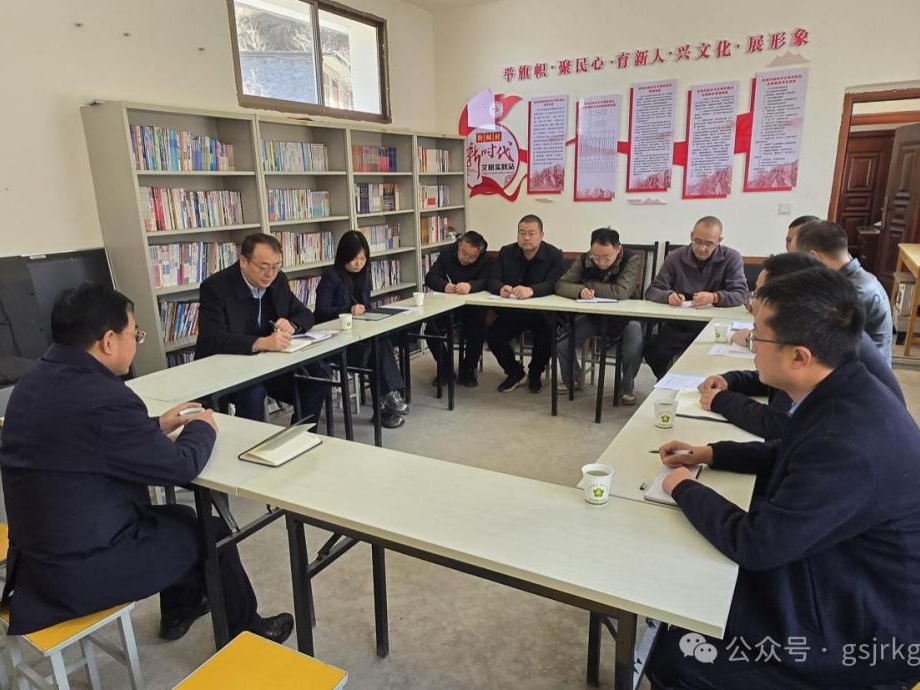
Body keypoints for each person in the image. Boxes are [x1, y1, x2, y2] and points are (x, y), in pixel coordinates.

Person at [647, 267, 920, 690]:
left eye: (758, 336)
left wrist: (682, 485)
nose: (751, 347)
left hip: (867, 632)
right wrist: (712, 454)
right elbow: (791, 451)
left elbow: (756, 543)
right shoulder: (845, 387)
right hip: (840, 570)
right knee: (690, 587)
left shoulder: (847, 443)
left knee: (680, 649)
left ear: (799, 356)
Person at [0, 283, 293, 642]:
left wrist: (155, 425)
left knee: (180, 520)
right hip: (80, 570)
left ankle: (179, 610)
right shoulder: (105, 397)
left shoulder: (32, 383)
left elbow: (85, 440)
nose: (135, 341)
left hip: (37, 561)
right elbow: (180, 467)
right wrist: (202, 427)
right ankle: (246, 630)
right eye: (134, 333)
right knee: (211, 532)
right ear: (108, 341)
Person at [698, 252, 904, 440]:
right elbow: (782, 378)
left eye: (759, 293)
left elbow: (777, 423)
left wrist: (721, 400)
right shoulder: (823, 332)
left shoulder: (825, 348)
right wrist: (731, 380)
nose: (752, 301)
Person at [196, 233, 329, 425]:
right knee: (253, 393)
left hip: (268, 364)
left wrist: (292, 324)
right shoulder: (215, 288)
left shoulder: (277, 280)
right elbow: (213, 338)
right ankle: (252, 450)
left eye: (276, 267)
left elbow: (305, 314)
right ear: (243, 261)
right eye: (264, 267)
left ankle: (301, 435)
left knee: (319, 376)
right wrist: (261, 343)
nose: (270, 274)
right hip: (230, 367)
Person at [315, 231, 408, 429]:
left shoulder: (364, 276)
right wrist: (347, 311)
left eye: (363, 258)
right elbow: (321, 312)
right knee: (379, 349)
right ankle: (387, 402)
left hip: (360, 336)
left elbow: (366, 306)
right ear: (343, 256)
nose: (359, 263)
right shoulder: (330, 277)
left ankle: (386, 404)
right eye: (355, 258)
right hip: (337, 343)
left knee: (380, 343)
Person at [644, 216, 748, 378]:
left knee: (709, 361)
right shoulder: (675, 257)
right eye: (698, 241)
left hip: (714, 326)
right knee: (654, 351)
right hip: (680, 324)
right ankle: (666, 381)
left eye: (709, 244)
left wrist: (714, 297)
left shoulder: (731, 258)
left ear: (719, 240)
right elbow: (652, 290)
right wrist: (668, 296)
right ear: (691, 235)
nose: (702, 248)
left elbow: (741, 294)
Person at [554, 227, 644, 404]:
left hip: (625, 318)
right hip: (594, 316)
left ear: (618, 249)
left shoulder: (632, 259)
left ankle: (627, 386)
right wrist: (580, 291)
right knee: (563, 343)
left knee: (634, 346)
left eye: (606, 257)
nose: (601, 262)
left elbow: (621, 292)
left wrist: (589, 285)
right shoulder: (585, 259)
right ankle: (574, 378)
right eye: (596, 256)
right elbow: (561, 284)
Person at [793, 220, 893, 364]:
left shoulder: (850, 293)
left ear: (814, 257)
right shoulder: (858, 278)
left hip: (861, 377)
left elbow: (816, 342)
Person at [485, 214, 564, 393]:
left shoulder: (554, 255)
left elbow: (555, 283)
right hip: (514, 312)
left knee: (547, 335)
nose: (526, 238)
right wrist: (501, 287)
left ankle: (535, 373)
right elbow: (492, 279)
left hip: (541, 313)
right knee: (493, 334)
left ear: (542, 235)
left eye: (531, 233)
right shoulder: (506, 252)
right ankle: (515, 372)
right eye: (522, 233)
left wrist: (532, 290)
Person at [423, 230, 490, 388]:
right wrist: (445, 286)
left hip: (474, 306)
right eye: (463, 253)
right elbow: (430, 277)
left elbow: (489, 280)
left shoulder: (486, 259)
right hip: (450, 304)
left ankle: (468, 369)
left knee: (476, 328)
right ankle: (445, 368)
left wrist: (470, 286)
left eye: (471, 257)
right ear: (459, 245)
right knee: (431, 330)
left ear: (479, 254)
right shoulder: (448, 253)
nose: (465, 258)